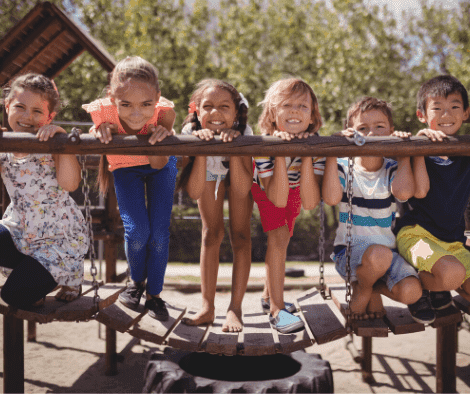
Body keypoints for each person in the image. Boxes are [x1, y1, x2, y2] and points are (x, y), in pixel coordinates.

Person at [82, 56, 177, 321]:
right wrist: (98, 129)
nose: (136, 113)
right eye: (126, 104)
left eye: (146, 104)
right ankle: (135, 283)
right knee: (137, 232)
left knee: (158, 234)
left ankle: (154, 295)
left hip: (160, 166)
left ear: (157, 97)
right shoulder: (102, 111)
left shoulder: (165, 112)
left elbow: (159, 162)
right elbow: (96, 130)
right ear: (112, 98)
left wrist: (160, 135)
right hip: (125, 166)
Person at [323, 96, 432, 323]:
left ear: (391, 131)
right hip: (350, 253)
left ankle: (371, 288)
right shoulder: (344, 166)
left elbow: (403, 193)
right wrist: (332, 151)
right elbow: (332, 198)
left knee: (413, 291)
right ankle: (363, 287)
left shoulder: (392, 168)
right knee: (379, 255)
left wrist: (403, 154)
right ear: (350, 132)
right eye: (363, 128)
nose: (371, 134)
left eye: (379, 127)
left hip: (386, 255)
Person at [0, 73, 88, 308]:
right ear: (7, 106)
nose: (28, 116)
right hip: (20, 232)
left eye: (37, 111)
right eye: (20, 107)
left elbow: (70, 184)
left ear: (49, 116)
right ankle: (38, 274)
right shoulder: (4, 143)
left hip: (57, 239)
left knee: (13, 297)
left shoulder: (51, 143)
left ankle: (65, 275)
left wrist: (61, 143)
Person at [178, 79, 253, 332]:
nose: (215, 113)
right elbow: (194, 190)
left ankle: (235, 308)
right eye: (207, 106)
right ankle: (207, 307)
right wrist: (200, 148)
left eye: (224, 106)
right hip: (208, 172)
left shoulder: (246, 134)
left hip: (237, 171)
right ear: (197, 111)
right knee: (211, 234)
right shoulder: (190, 134)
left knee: (241, 236)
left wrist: (234, 147)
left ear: (235, 113)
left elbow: (242, 188)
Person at [395, 75, 470, 314]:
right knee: (452, 273)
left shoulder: (465, 151)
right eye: (437, 108)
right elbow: (421, 191)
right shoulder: (420, 146)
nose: (446, 115)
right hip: (416, 236)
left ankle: (437, 283)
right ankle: (420, 283)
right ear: (422, 115)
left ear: (466, 113)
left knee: (457, 275)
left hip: (453, 242)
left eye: (454, 107)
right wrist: (420, 147)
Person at [253, 78, 322, 333]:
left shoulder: (315, 144)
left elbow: (310, 202)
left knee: (284, 238)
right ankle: (276, 310)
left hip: (294, 187)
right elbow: (276, 197)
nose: (295, 111)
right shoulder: (264, 144)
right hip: (266, 187)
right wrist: (282, 150)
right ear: (272, 113)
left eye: (303, 106)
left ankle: (266, 295)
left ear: (313, 115)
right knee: (278, 237)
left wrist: (304, 152)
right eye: (287, 105)